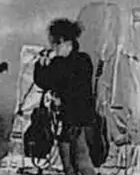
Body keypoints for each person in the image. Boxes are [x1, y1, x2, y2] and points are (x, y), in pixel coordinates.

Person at [34, 19, 97, 175]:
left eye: (54, 44)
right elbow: (45, 82)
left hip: (75, 120)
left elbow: (49, 82)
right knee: (73, 164)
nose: (53, 48)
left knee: (80, 163)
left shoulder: (70, 62)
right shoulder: (76, 60)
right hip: (75, 119)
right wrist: (44, 64)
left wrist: (46, 64)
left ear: (62, 41)